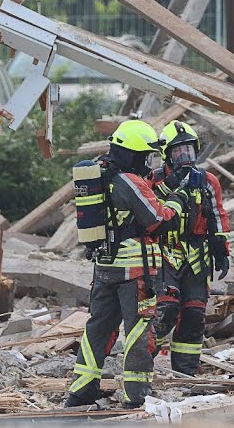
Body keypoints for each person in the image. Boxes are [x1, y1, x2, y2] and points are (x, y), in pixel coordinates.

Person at [65, 119, 178, 409]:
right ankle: (136, 397)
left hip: (104, 270)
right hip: (135, 274)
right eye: (145, 156)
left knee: (97, 329)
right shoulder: (129, 180)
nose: (147, 162)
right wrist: (177, 203)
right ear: (134, 154)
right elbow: (157, 220)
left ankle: (80, 392)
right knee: (139, 331)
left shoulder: (100, 174)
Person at [149, 120, 231, 376]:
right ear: (166, 155)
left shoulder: (207, 181)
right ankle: (140, 362)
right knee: (166, 310)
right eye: (178, 152)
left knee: (194, 314)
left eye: (189, 151)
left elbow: (218, 215)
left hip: (197, 256)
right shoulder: (154, 181)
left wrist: (222, 249)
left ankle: (185, 374)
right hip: (164, 253)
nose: (185, 157)